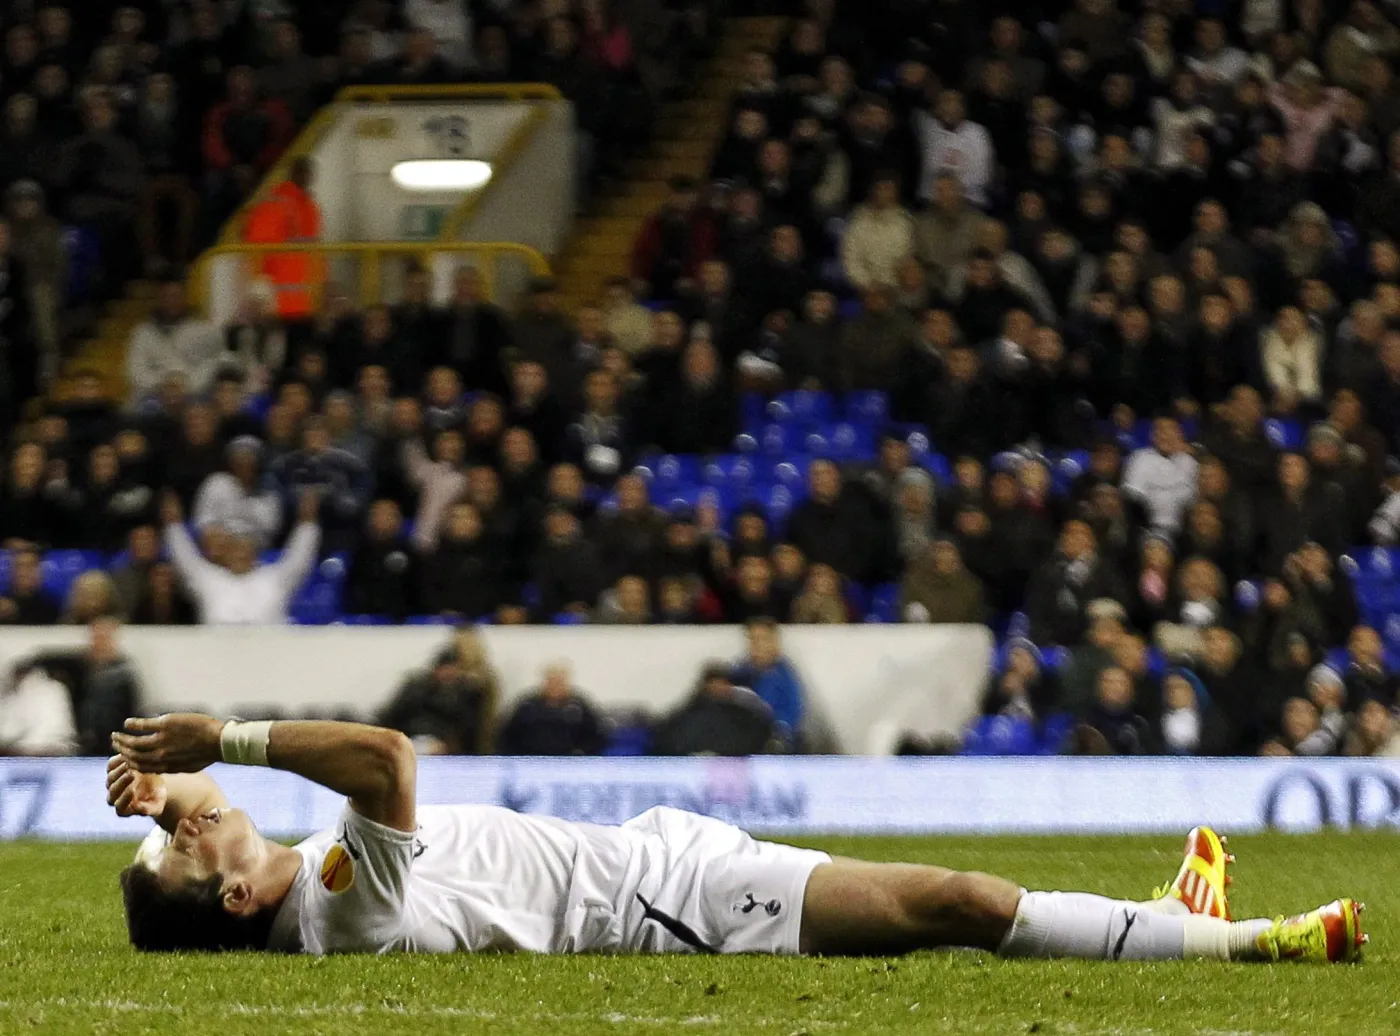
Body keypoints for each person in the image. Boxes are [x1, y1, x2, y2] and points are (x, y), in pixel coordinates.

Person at [108, 713, 1365, 962]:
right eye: (179, 841)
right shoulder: (336, 908)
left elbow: (203, 830)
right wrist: (223, 740)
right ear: (228, 900)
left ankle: (1163, 920)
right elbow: (385, 757)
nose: (181, 818)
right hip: (684, 911)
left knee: (960, 896)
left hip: (664, 854)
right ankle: (1254, 944)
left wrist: (167, 799)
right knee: (959, 900)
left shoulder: (288, 880)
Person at [161, 490, 320, 625]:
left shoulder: (275, 578)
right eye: (234, 548)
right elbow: (185, 560)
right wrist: (174, 525)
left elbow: (300, 559)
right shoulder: (208, 579)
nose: (239, 554)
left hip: (270, 654)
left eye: (245, 549)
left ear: (254, 553)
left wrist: (307, 523)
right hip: (215, 655)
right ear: (226, 553)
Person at [242, 156, 321, 321]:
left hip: (306, 299)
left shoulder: (309, 205)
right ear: (294, 173)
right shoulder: (277, 202)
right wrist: (262, 288)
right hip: (279, 302)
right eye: (304, 172)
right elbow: (258, 246)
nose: (307, 177)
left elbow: (314, 248)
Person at [495, 662, 605, 755]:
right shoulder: (527, 706)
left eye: (559, 682)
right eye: (551, 681)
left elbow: (596, 737)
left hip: (570, 762)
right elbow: (508, 736)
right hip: (531, 761)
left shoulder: (580, 707)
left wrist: (581, 752)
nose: (555, 686)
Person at [729, 618, 805, 747]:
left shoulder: (784, 675)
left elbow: (793, 711)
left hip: (772, 738)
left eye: (762, 638)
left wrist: (778, 733)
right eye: (752, 639)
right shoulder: (738, 672)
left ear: (774, 642)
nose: (757, 644)